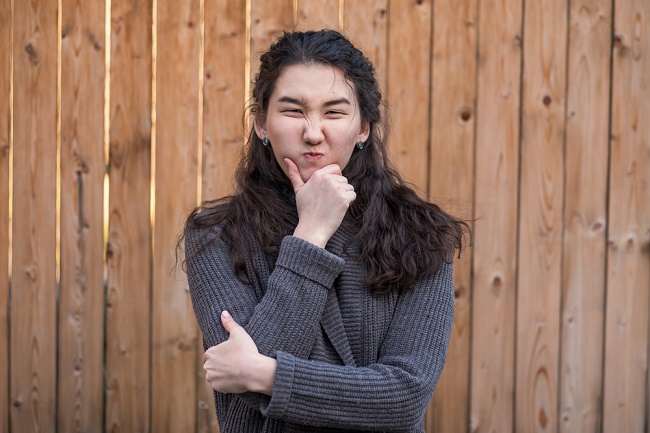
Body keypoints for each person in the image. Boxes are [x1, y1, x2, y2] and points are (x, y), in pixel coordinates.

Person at [181, 29, 469, 432]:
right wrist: (310, 235)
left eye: (333, 113)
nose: (313, 133)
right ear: (261, 123)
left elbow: (403, 397)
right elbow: (239, 387)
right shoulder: (217, 236)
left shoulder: (420, 235)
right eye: (294, 111)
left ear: (364, 127)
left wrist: (266, 376)